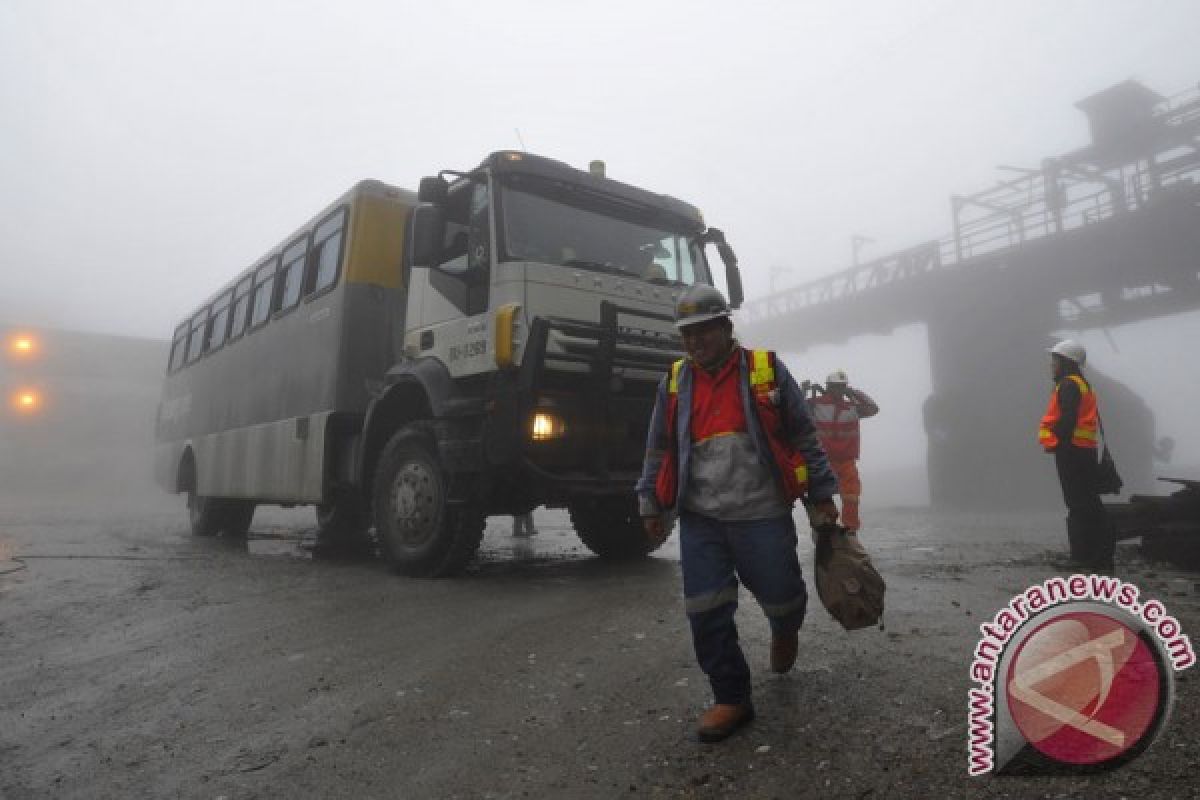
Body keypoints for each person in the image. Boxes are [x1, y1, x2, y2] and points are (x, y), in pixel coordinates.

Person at [636, 284, 839, 743]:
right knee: (705, 608)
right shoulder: (673, 382)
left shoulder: (765, 371)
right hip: (701, 517)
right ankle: (731, 696)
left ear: (726, 327)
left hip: (763, 512)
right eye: (687, 333)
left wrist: (822, 494)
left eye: (704, 329)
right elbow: (658, 448)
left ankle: (785, 628)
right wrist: (650, 502)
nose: (695, 341)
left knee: (783, 594)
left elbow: (804, 436)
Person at [1038, 339, 1114, 573]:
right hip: (1084, 449)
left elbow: (1068, 418)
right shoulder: (1082, 384)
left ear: (1066, 362)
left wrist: (1056, 441)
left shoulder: (1069, 385)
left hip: (1072, 451)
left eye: (1055, 359)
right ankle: (1100, 557)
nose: (1052, 364)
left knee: (1078, 505)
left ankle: (1082, 557)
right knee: (1089, 503)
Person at [808, 371, 879, 532]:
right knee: (821, 496)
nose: (839, 391)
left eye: (843, 387)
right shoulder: (815, 404)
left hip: (846, 461)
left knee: (851, 497)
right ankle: (825, 528)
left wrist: (854, 393)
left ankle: (850, 530)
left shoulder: (851, 407)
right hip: (823, 461)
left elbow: (873, 408)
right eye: (836, 387)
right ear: (829, 387)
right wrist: (801, 390)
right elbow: (794, 409)